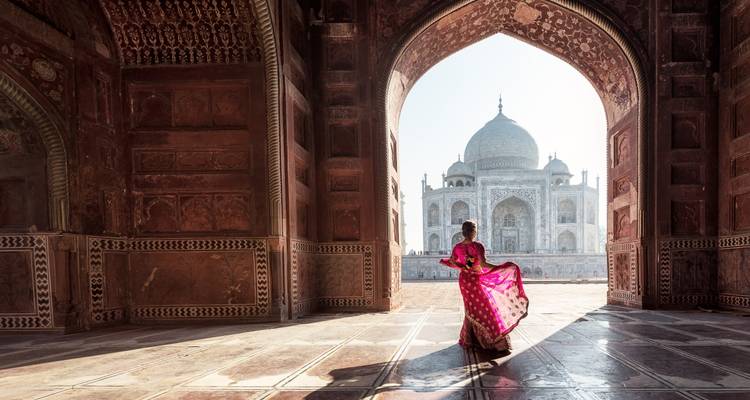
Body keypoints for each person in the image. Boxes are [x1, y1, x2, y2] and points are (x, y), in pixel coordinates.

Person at [440, 220, 528, 352]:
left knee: (471, 309)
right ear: (474, 232)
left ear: (463, 232)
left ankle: (471, 339)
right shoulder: (477, 246)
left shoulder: (457, 247)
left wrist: (463, 267)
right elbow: (483, 265)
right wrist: (500, 268)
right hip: (475, 279)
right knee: (485, 306)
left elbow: (453, 261)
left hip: (464, 280)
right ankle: (492, 339)